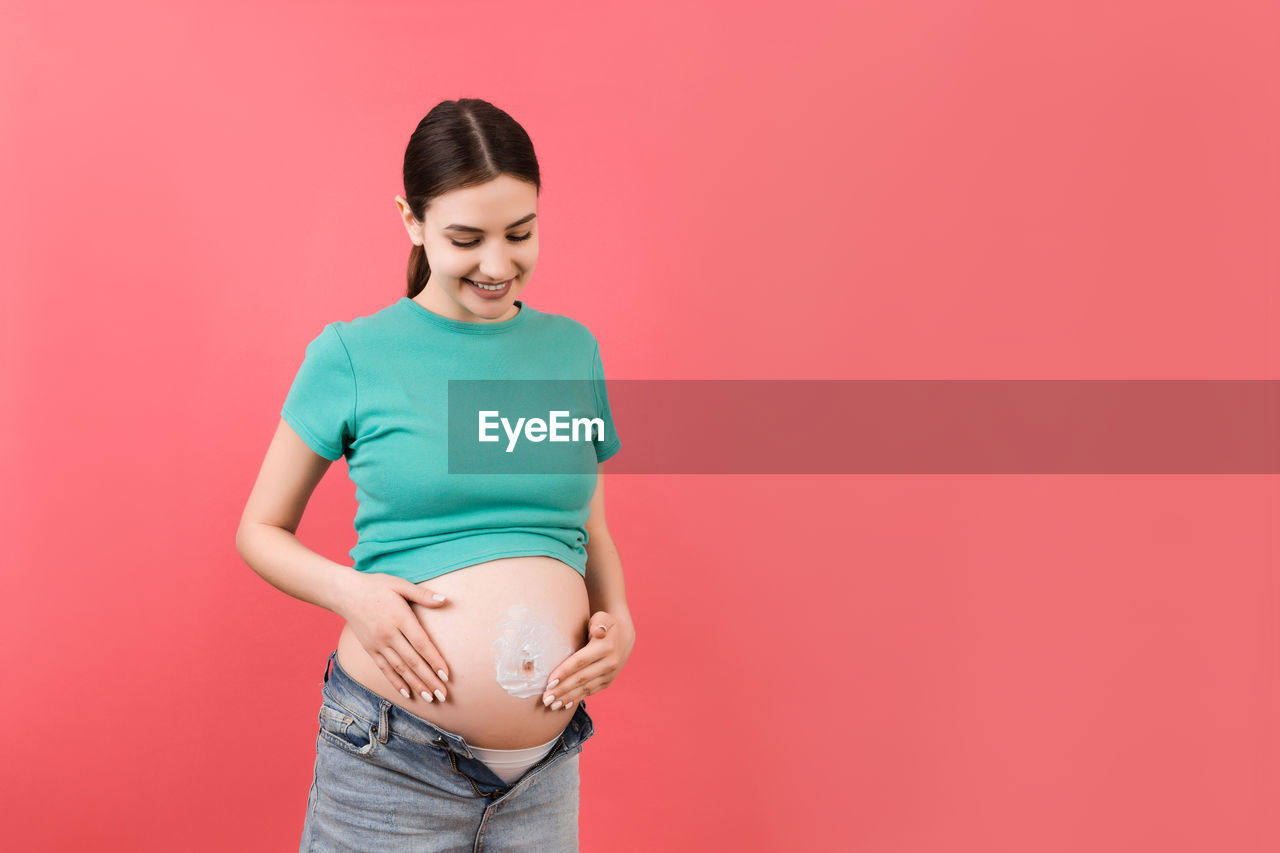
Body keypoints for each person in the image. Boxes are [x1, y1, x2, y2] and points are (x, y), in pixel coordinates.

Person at [235, 98, 636, 851]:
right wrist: (353, 593)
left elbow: (589, 526)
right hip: (392, 763)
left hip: (544, 775)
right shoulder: (353, 354)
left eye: (520, 233)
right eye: (466, 238)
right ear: (411, 221)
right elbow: (260, 529)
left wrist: (621, 622)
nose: (497, 263)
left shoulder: (571, 351)